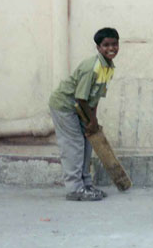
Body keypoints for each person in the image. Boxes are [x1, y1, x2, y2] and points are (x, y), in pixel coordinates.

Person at [48, 27, 119, 201]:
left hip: (81, 107)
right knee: (74, 144)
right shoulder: (92, 67)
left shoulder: (108, 67)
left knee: (88, 142)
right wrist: (91, 120)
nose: (111, 48)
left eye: (115, 44)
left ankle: (86, 184)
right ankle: (74, 188)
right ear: (98, 47)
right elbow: (81, 97)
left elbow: (94, 98)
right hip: (65, 105)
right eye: (106, 45)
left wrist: (92, 122)